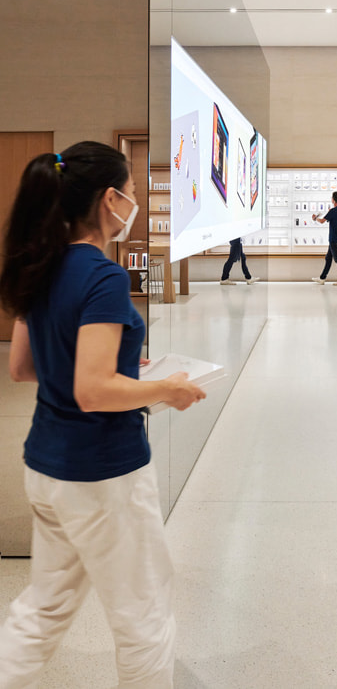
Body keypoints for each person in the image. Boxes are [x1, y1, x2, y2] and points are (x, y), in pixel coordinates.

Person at [0, 142, 206, 688]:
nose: (134, 202)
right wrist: (165, 388)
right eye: (133, 193)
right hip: (103, 474)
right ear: (111, 200)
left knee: (43, 609)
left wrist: (118, 367)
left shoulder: (39, 265)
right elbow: (92, 390)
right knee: (144, 616)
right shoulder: (104, 276)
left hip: (46, 467)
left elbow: (23, 366)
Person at [312, 191, 337, 285]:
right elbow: (335, 220)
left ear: (333, 199)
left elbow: (322, 221)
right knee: (328, 258)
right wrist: (329, 213)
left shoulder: (333, 210)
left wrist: (315, 218)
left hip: (333, 239)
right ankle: (322, 278)